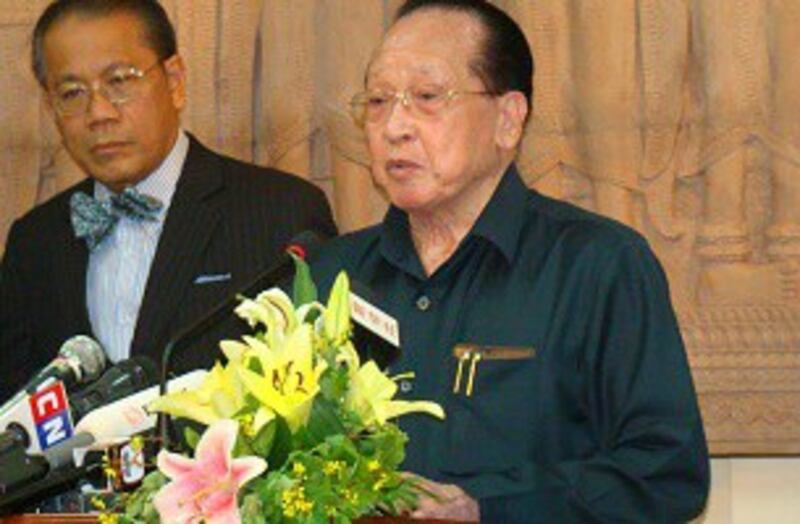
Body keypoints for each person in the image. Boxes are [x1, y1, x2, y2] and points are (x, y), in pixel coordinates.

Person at [311, 0, 710, 522]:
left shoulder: (598, 265)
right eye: (379, 101)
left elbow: (665, 473)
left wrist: (489, 507)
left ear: (508, 119)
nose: (394, 127)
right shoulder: (331, 275)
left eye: (427, 97)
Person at [0, 0, 336, 402]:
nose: (99, 113)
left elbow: (320, 397)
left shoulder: (281, 213)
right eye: (71, 93)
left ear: (175, 80)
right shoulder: (34, 242)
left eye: (120, 81)